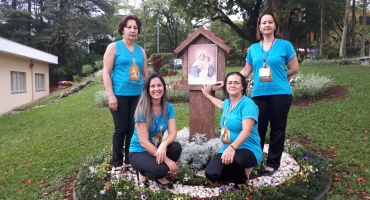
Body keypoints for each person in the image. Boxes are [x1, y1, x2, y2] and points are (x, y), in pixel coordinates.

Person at [218, 11, 299, 175]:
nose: (267, 25)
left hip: (280, 94)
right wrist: (229, 81)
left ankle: (272, 164)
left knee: (277, 129)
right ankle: (255, 159)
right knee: (257, 128)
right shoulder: (254, 49)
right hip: (258, 95)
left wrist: (280, 77)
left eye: (270, 22)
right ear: (260, 27)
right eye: (264, 23)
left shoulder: (285, 45)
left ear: (275, 26)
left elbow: (294, 68)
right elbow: (247, 70)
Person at [103, 15, 148, 175]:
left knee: (133, 129)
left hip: (138, 96)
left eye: (135, 27)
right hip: (119, 96)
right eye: (129, 27)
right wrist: (111, 96)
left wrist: (147, 97)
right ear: (122, 30)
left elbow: (145, 74)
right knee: (120, 129)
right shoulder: (114, 47)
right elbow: (106, 73)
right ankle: (117, 163)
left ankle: (129, 160)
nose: (132, 30)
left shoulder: (141, 51)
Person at [202, 72, 263, 185]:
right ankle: (235, 174)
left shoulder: (248, 104)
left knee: (236, 160)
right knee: (211, 173)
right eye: (229, 83)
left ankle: (241, 180)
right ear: (226, 86)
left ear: (243, 86)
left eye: (236, 83)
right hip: (227, 147)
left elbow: (247, 130)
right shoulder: (228, 103)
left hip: (248, 148)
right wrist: (208, 95)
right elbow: (219, 104)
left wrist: (232, 148)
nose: (232, 85)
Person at [129, 73, 182, 189]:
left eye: (159, 85)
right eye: (152, 86)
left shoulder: (168, 107)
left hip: (156, 147)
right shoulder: (141, 110)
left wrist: (163, 144)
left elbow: (173, 133)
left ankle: (154, 167)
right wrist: (167, 161)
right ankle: (142, 171)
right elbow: (144, 142)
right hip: (139, 150)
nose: (156, 89)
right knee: (162, 170)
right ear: (147, 90)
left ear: (164, 87)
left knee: (176, 148)